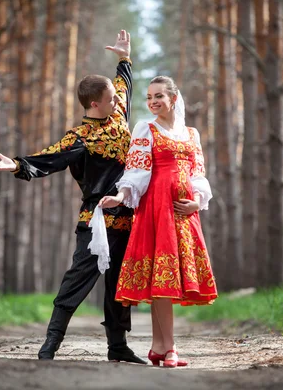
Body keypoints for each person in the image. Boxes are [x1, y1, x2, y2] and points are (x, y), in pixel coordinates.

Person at [0, 30, 145, 364]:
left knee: (120, 284)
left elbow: (124, 86)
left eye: (116, 99)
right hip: (96, 219)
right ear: (93, 104)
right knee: (77, 280)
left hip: (128, 216)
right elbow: (49, 159)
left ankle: (118, 347)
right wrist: (17, 164)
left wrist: (124, 58)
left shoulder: (117, 115)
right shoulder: (79, 139)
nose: (118, 102)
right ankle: (49, 347)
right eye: (110, 99)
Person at [98, 76, 218, 368]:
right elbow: (136, 170)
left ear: (173, 99)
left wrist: (197, 202)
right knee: (162, 278)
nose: (152, 102)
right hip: (156, 209)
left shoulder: (191, 133)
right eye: (149, 97)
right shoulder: (146, 128)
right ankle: (171, 348)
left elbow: (197, 173)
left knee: (167, 278)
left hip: (183, 213)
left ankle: (158, 347)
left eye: (158, 97)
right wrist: (120, 195)